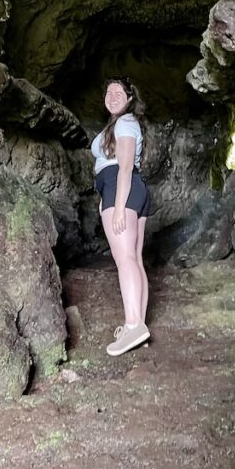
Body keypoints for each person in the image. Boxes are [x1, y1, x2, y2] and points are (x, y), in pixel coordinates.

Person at [91, 77, 151, 356]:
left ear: (129, 98)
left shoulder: (125, 123)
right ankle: (138, 326)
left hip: (121, 186)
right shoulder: (119, 125)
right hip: (130, 189)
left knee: (124, 258)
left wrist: (116, 205)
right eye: (108, 91)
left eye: (119, 91)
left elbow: (124, 167)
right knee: (134, 258)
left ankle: (132, 324)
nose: (112, 95)